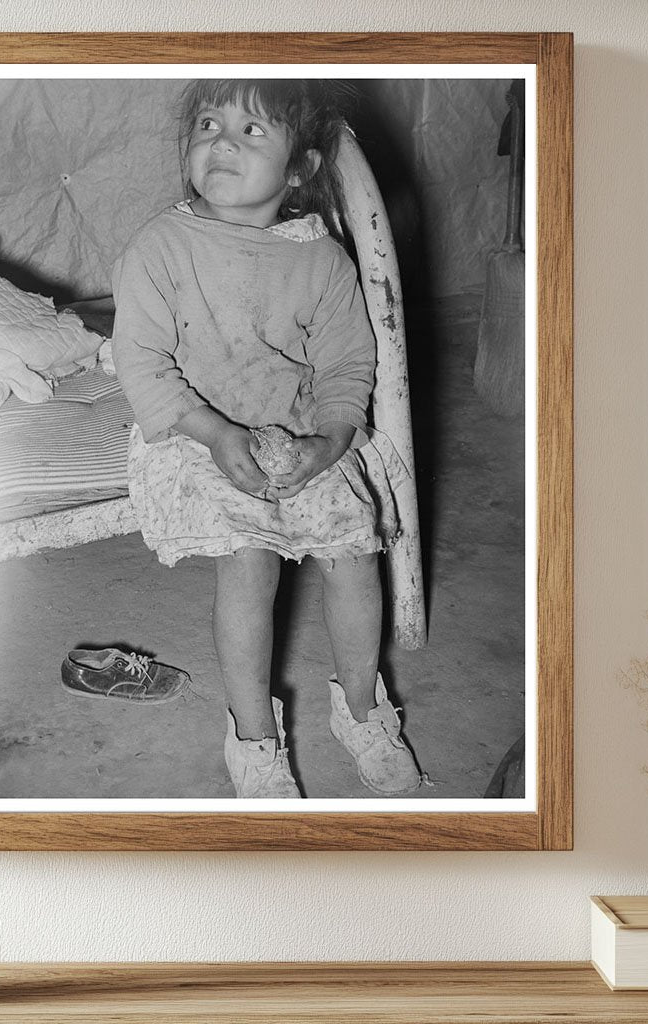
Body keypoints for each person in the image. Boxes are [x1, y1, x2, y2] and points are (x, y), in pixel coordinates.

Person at [111, 79, 422, 798]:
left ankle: (363, 710)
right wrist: (219, 435)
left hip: (301, 427)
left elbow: (349, 365)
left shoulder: (322, 258)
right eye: (210, 125)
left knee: (354, 554)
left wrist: (332, 438)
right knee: (250, 560)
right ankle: (253, 737)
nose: (222, 141)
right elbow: (143, 365)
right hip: (195, 429)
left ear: (300, 168)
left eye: (253, 132)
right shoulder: (160, 246)